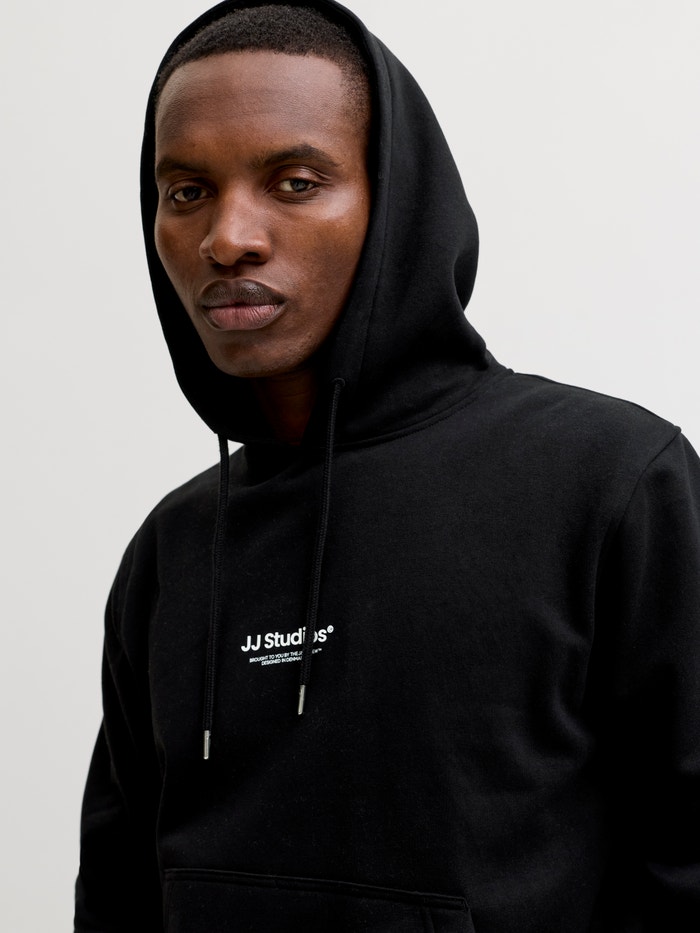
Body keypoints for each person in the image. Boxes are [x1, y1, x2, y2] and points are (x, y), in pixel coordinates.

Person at [74, 1, 700, 930]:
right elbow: (119, 893)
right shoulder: (174, 546)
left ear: (396, 203)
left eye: (294, 182)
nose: (227, 237)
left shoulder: (611, 479)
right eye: (188, 191)